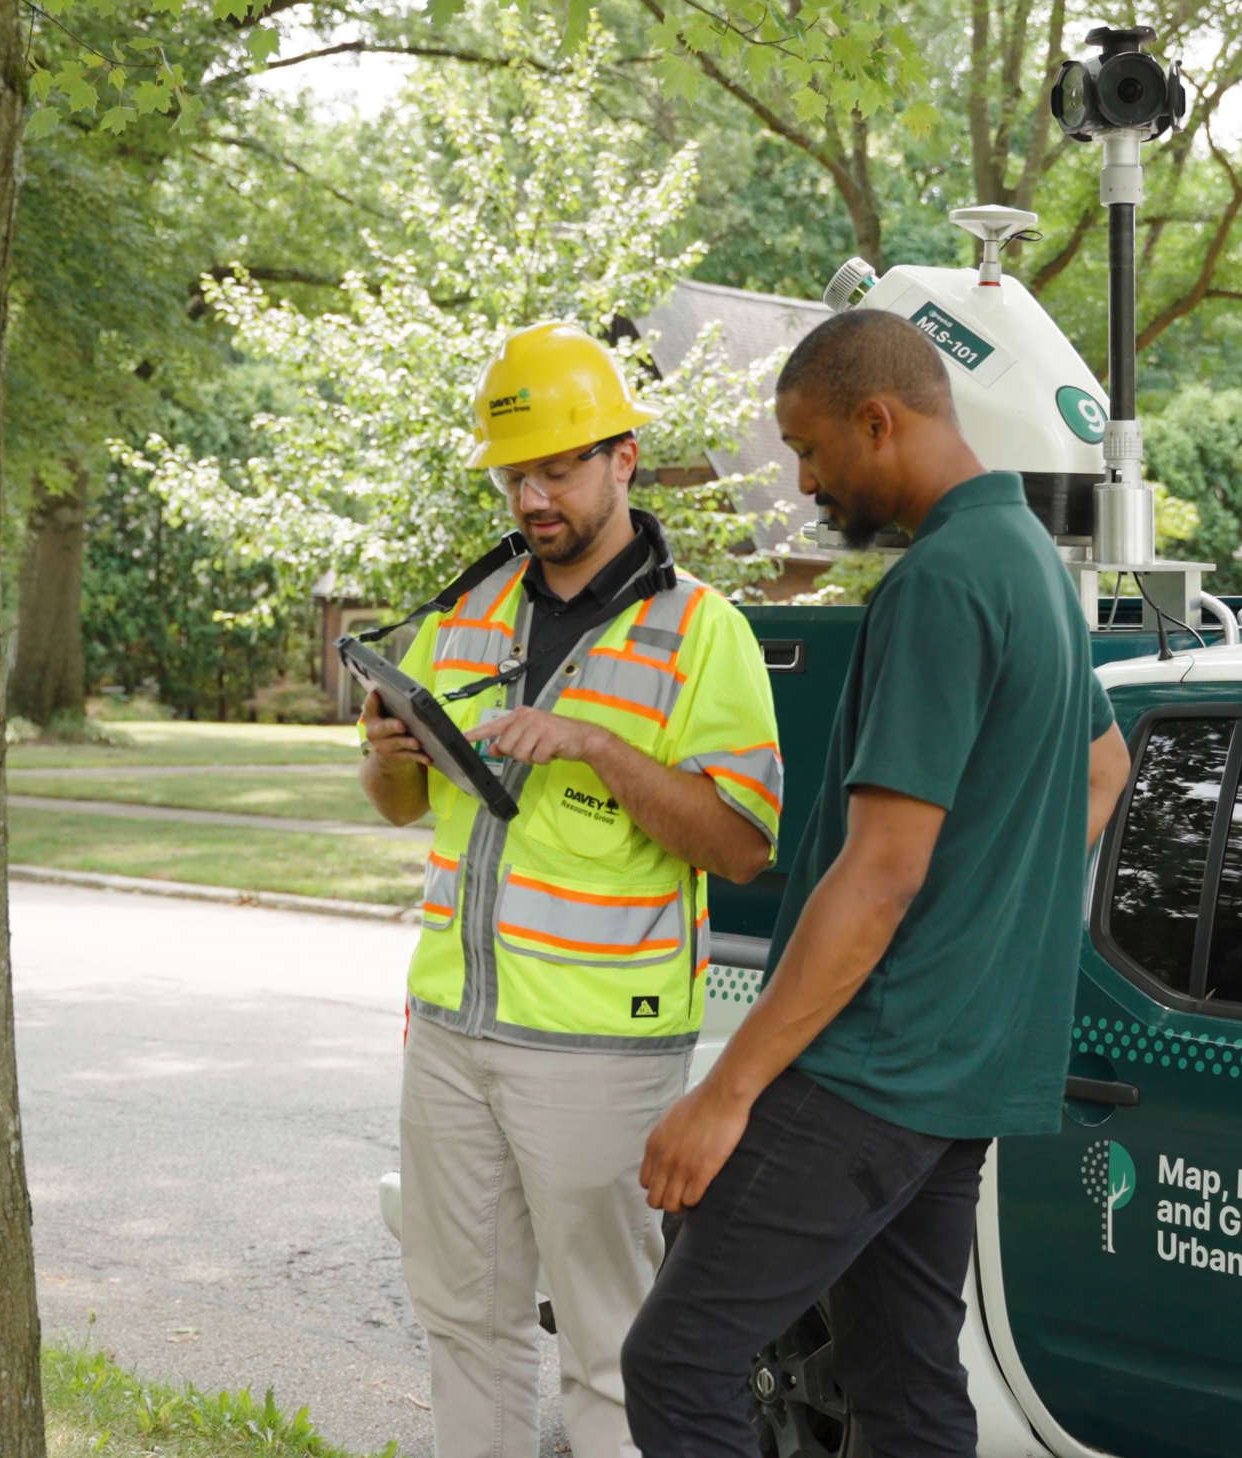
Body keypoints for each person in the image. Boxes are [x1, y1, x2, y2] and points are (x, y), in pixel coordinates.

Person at [621, 309, 1132, 1457]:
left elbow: (880, 872)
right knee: (902, 1381)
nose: (801, 481)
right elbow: (1104, 770)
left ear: (877, 419)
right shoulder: (1033, 569)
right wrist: (990, 934)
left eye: (808, 449)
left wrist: (726, 1093)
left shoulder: (941, 582)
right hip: (964, 1070)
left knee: (676, 1364)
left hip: (875, 1069)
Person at [359, 320, 784, 1458]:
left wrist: (594, 746)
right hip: (452, 1028)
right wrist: (383, 763)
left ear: (623, 460)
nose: (531, 495)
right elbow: (410, 811)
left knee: (612, 1349)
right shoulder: (468, 612)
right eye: (515, 473)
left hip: (599, 1049)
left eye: (556, 466)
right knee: (465, 1327)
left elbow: (742, 846)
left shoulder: (704, 632)